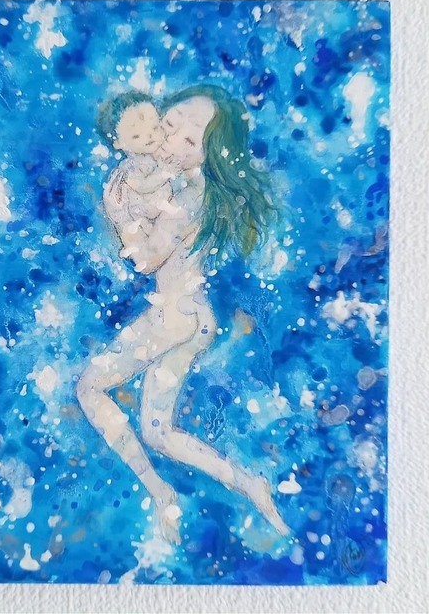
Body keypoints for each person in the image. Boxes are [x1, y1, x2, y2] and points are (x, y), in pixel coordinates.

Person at [78, 85, 287, 544]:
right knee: (158, 433)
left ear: (206, 156)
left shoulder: (190, 192)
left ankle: (159, 490)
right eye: (169, 123)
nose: (168, 139)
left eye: (190, 140)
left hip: (175, 315)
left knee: (89, 388)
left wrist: (118, 213)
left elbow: (145, 259)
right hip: (194, 317)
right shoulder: (174, 180)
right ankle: (248, 483)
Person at [97, 92, 177, 261]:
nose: (149, 136)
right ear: (118, 142)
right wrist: (164, 174)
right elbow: (142, 185)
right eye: (136, 135)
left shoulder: (161, 154)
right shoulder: (128, 169)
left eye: (154, 128)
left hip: (162, 215)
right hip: (141, 219)